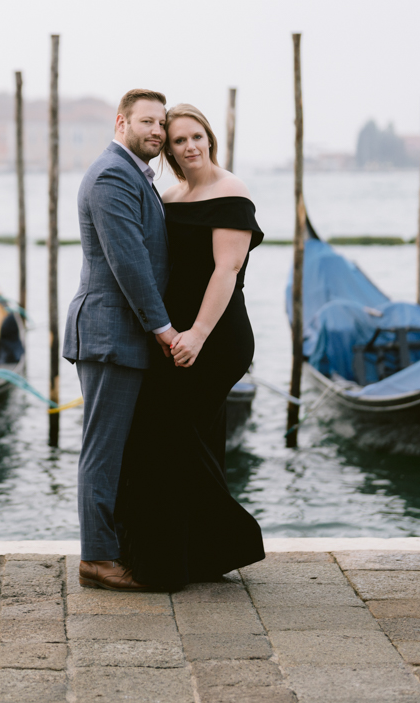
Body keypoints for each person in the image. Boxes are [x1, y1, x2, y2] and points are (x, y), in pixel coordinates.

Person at [113, 102, 265, 591]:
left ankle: (208, 548)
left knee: (168, 437)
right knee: (191, 439)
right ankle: (204, 554)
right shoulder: (169, 195)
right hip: (174, 338)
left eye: (196, 136)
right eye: (178, 140)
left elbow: (227, 270)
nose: (190, 146)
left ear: (210, 138)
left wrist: (198, 333)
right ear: (168, 149)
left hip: (215, 337)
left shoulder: (231, 190)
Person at [63, 89, 179, 592]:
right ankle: (97, 558)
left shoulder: (134, 173)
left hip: (119, 334)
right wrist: (164, 328)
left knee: (116, 449)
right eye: (147, 122)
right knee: (103, 450)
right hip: (111, 334)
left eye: (162, 123)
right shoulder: (113, 174)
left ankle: (113, 546)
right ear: (121, 122)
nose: (157, 131)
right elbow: (128, 261)